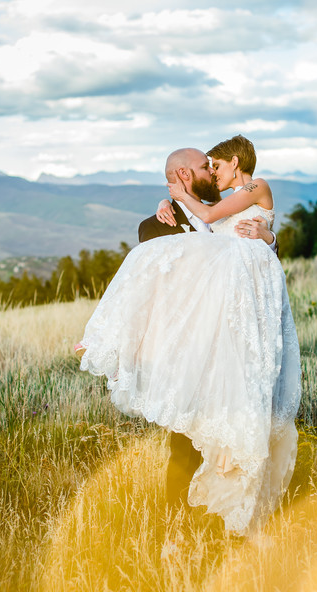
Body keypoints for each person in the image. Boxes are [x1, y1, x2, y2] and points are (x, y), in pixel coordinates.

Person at [77, 135, 301, 536]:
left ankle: (231, 518)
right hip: (187, 357)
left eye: (215, 167)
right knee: (187, 443)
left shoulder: (228, 203)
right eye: (204, 168)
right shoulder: (155, 224)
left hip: (235, 344)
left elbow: (249, 257)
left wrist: (269, 238)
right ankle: (177, 530)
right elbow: (157, 292)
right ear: (183, 175)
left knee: (241, 424)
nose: (212, 174)